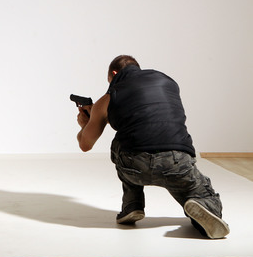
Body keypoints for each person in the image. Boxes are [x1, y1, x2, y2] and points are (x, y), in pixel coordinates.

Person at [76, 55, 229, 239]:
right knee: (199, 194)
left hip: (133, 166)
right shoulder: (168, 82)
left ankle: (132, 205)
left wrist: (87, 122)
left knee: (122, 141)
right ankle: (202, 205)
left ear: (114, 74)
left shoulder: (107, 98)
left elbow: (85, 145)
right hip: (176, 162)